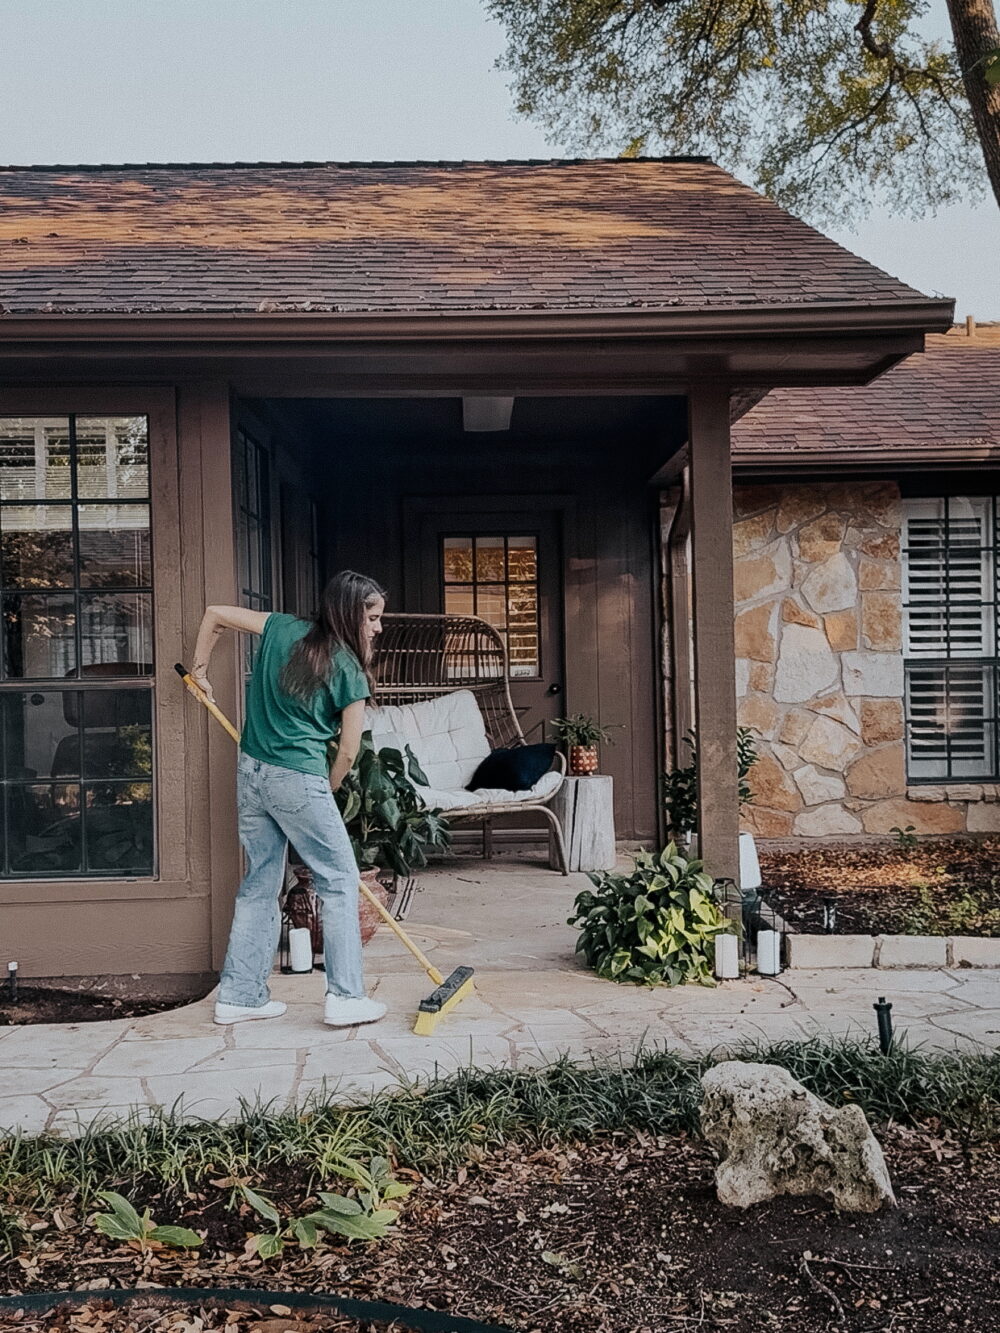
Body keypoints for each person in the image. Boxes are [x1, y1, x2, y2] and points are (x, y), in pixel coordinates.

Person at [189, 570, 388, 1028]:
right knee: (339, 880)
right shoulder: (350, 669)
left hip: (252, 772)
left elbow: (215, 614)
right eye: (373, 618)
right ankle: (345, 997)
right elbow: (350, 749)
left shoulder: (281, 627)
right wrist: (331, 785)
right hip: (298, 778)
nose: (378, 627)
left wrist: (199, 670)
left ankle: (239, 996)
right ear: (350, 612)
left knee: (261, 881)